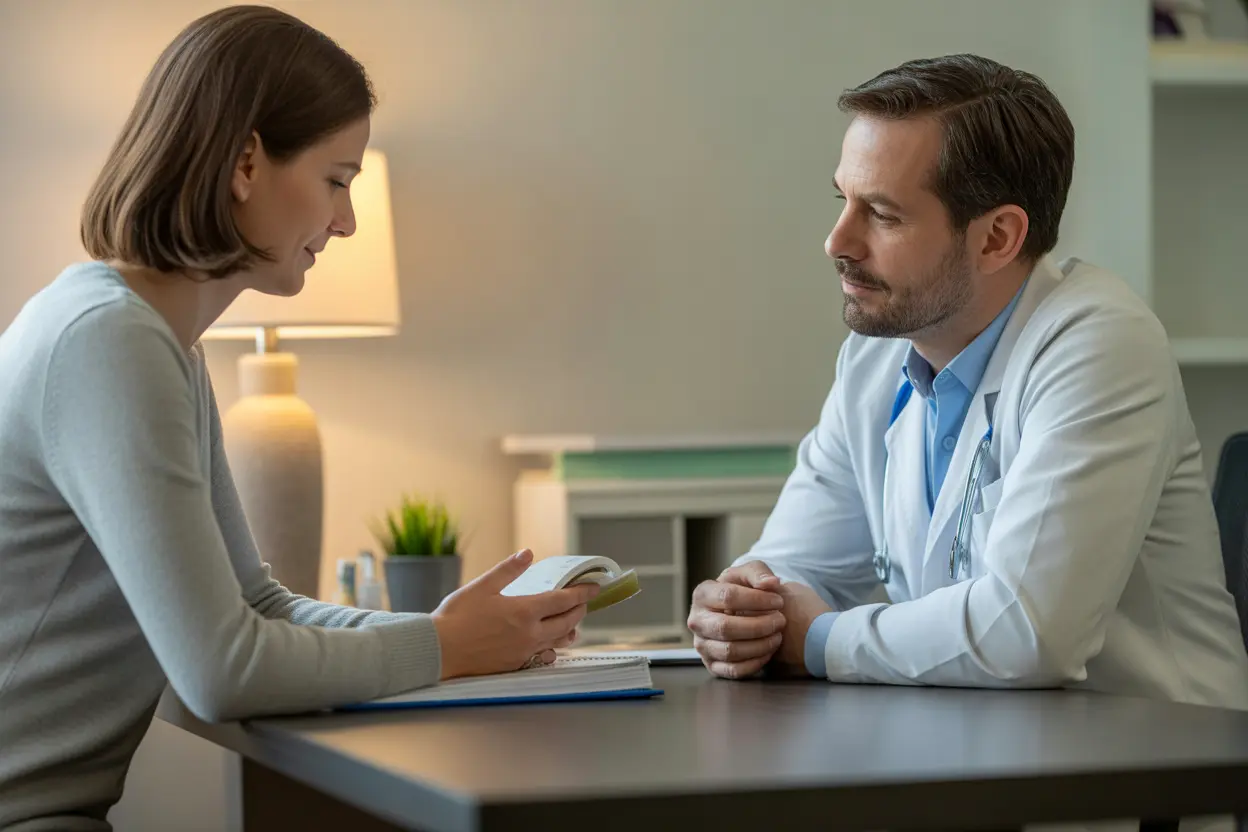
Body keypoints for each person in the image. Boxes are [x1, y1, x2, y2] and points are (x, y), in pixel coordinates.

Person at [0, 6, 594, 828]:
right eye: (337, 180)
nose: (345, 220)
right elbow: (221, 668)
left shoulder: (154, 339)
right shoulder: (111, 342)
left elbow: (258, 607)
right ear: (246, 160)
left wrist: (452, 631)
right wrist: (449, 646)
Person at [687, 53, 1248, 709]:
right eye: (843, 200)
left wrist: (818, 639)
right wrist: (742, 607)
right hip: (973, 755)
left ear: (996, 238)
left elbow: (1028, 632)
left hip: (1146, 781)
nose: (837, 241)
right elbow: (790, 570)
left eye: (883, 214)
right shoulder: (874, 360)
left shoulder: (1100, 344)